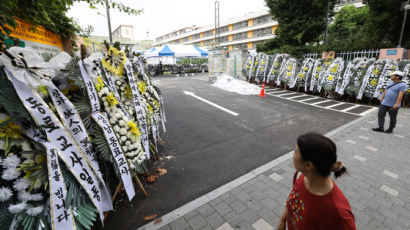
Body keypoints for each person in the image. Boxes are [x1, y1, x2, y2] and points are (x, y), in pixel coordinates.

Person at [277, 133, 356, 230]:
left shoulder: (338, 214)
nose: (292, 155)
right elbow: (292, 202)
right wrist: (282, 220)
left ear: (308, 165)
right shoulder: (302, 177)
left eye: (295, 152)